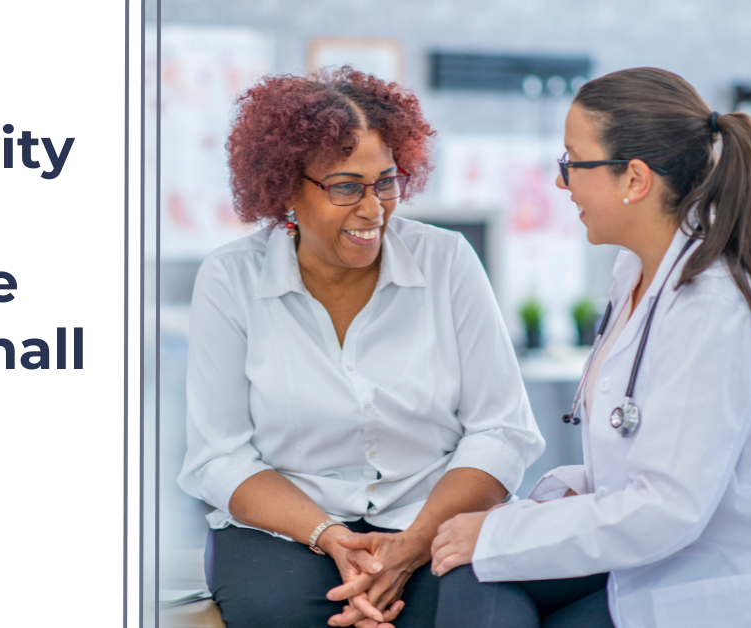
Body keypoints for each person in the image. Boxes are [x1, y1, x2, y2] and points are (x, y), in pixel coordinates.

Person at [428, 67, 751, 628]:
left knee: (480, 563)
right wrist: (556, 496)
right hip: (657, 555)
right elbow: (661, 455)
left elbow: (668, 506)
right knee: (470, 578)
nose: (561, 183)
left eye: (571, 162)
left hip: (717, 580)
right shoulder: (638, 271)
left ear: (634, 179)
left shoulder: (716, 303)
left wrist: (501, 530)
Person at [176, 67, 545, 628]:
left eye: (386, 182)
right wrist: (330, 536)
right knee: (285, 613)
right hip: (289, 528)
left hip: (435, 514)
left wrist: (413, 545)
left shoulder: (446, 261)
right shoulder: (230, 280)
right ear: (285, 190)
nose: (374, 210)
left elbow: (501, 430)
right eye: (346, 187)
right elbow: (220, 456)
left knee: (469, 609)